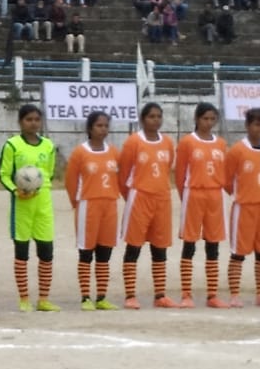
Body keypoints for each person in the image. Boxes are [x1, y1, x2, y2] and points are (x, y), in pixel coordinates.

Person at [118, 102, 178, 309]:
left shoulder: (168, 142)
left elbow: (167, 168)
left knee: (159, 247)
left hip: (162, 198)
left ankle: (160, 295)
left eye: (159, 116)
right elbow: (123, 174)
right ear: (143, 119)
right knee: (133, 246)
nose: (156, 120)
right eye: (151, 116)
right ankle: (130, 295)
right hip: (139, 198)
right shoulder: (133, 142)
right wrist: (133, 196)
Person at [0, 104, 58, 312]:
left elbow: (48, 174)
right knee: (22, 252)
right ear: (20, 122)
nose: (33, 123)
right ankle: (24, 298)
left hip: (43, 203)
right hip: (22, 205)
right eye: (28, 119)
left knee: (46, 251)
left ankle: (43, 299)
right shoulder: (12, 145)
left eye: (36, 119)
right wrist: (17, 190)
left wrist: (37, 187)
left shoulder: (48, 146)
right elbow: (4, 175)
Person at [65, 111, 121, 310]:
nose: (103, 129)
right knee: (86, 252)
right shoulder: (80, 152)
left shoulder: (114, 152)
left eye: (106, 126)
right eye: (99, 125)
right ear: (90, 128)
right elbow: (70, 181)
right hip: (88, 205)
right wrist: (77, 203)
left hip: (110, 205)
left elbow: (119, 180)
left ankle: (102, 297)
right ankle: (85, 297)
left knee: (105, 252)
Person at [175, 101, 229, 308]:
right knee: (189, 243)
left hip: (214, 195)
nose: (208, 123)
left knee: (212, 244)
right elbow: (180, 173)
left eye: (212, 119)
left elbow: (223, 171)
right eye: (204, 118)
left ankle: (212, 294)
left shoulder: (221, 144)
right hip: (194, 194)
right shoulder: (188, 142)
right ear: (196, 119)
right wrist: (185, 195)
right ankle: (186, 294)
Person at [224, 108, 260, 308]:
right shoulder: (238, 150)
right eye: (256, 124)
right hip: (244, 207)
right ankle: (235, 294)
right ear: (247, 126)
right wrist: (241, 195)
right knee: (238, 252)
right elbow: (227, 180)